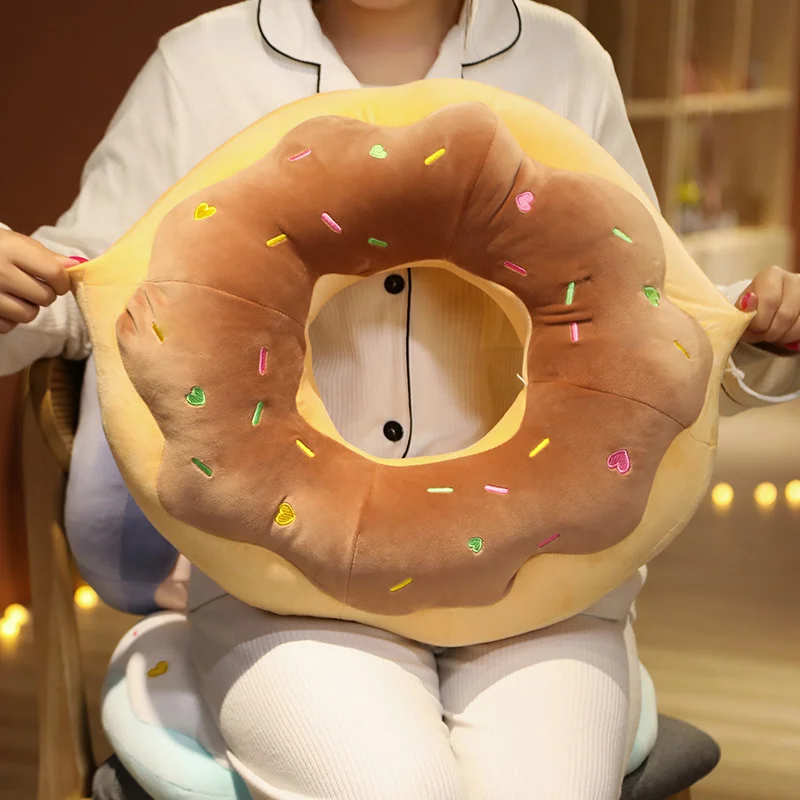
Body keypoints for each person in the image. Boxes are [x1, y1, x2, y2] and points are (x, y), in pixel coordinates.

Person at [2, 1, 799, 797]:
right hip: (283, 592)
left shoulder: (564, 60)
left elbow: (642, 314)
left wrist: (761, 329)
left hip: (544, 587)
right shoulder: (202, 65)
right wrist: (19, 291)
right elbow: (94, 287)